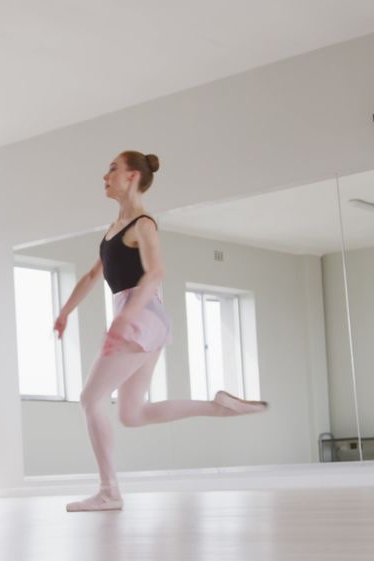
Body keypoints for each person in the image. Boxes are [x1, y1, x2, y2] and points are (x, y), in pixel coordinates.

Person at [52, 150, 268, 513]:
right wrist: (65, 311)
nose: (105, 177)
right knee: (131, 414)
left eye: (112, 170)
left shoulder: (143, 224)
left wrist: (126, 318)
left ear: (133, 176)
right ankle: (220, 407)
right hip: (141, 316)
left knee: (90, 399)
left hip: (143, 314)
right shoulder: (113, 230)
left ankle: (109, 492)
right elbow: (92, 276)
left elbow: (155, 274)